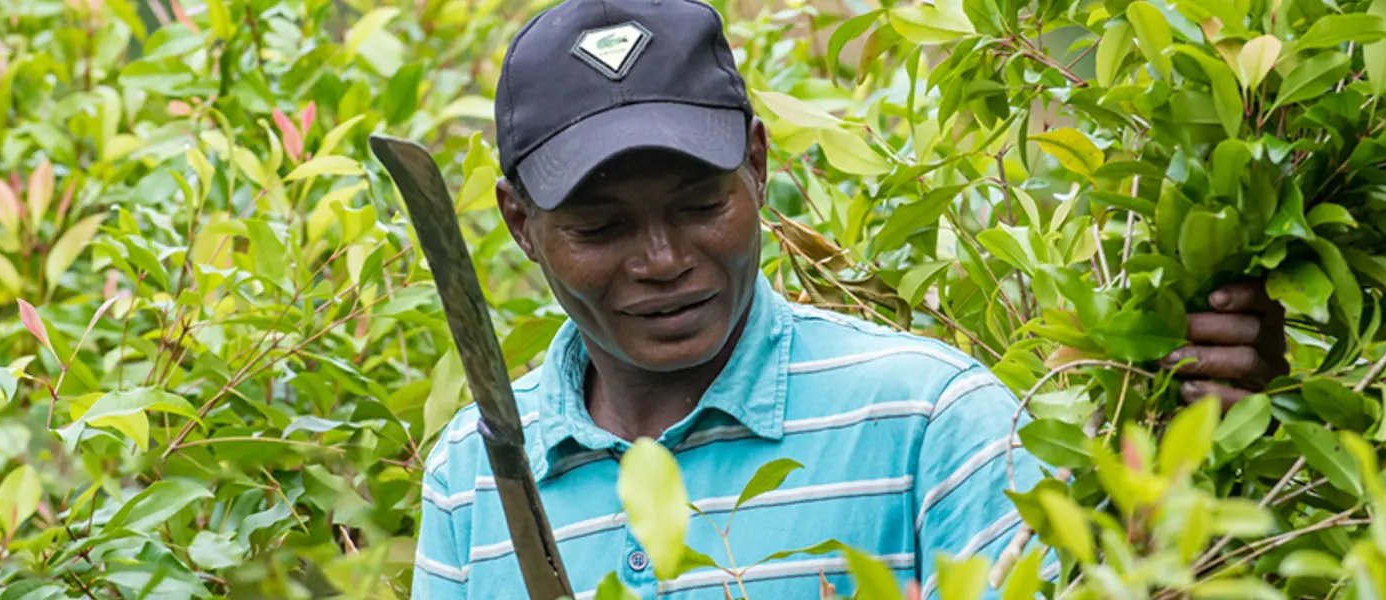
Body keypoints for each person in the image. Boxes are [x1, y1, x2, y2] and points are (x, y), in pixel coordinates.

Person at [411, 0, 1287, 597]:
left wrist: (1188, 475)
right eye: (601, 229)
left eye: (701, 206)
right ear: (520, 223)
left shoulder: (932, 420)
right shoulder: (472, 473)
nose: (664, 259)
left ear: (757, 165)